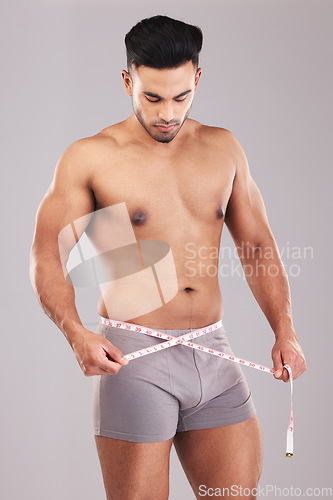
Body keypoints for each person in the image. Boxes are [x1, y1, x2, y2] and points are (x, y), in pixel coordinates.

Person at [29, 15, 306, 500]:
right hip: (135, 359)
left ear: (197, 78)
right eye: (151, 97)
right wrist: (75, 332)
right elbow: (48, 254)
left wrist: (285, 331)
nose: (166, 114)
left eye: (181, 97)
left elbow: (258, 246)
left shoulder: (223, 149)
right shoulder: (93, 157)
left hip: (213, 354)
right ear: (127, 81)